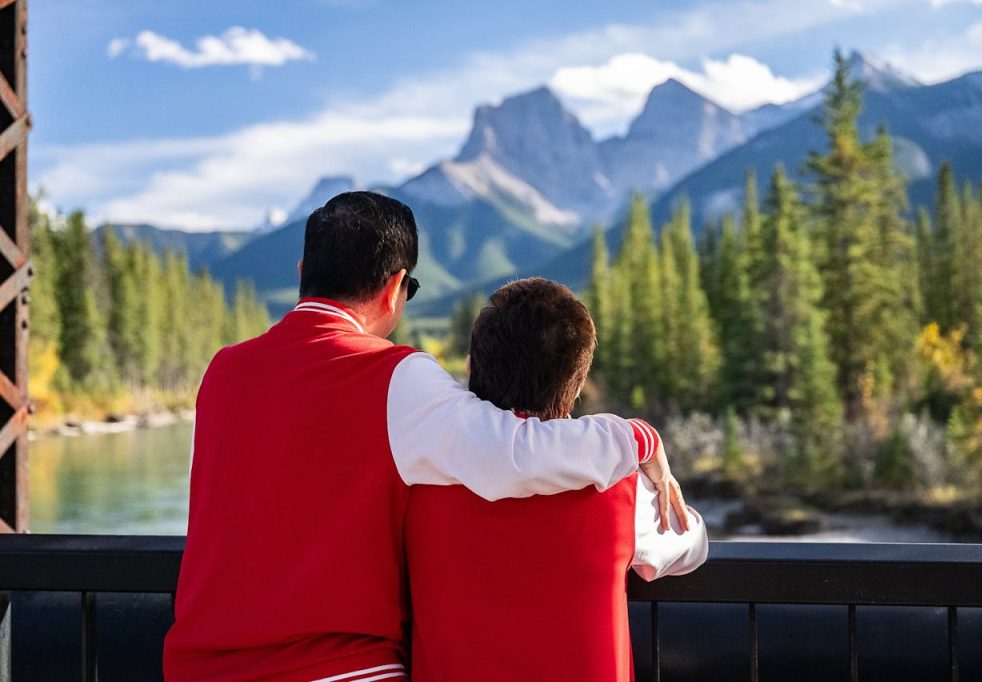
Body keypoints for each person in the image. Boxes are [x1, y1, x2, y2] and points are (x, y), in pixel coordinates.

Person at [163, 192, 687, 682]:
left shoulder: (223, 372)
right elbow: (517, 452)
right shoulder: (393, 375)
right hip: (337, 669)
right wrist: (638, 438)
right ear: (395, 287)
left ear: (303, 274)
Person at [406, 278, 709, 682]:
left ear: (471, 367)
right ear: (577, 385)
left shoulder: (417, 482)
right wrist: (640, 441)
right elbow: (693, 546)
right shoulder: (619, 490)